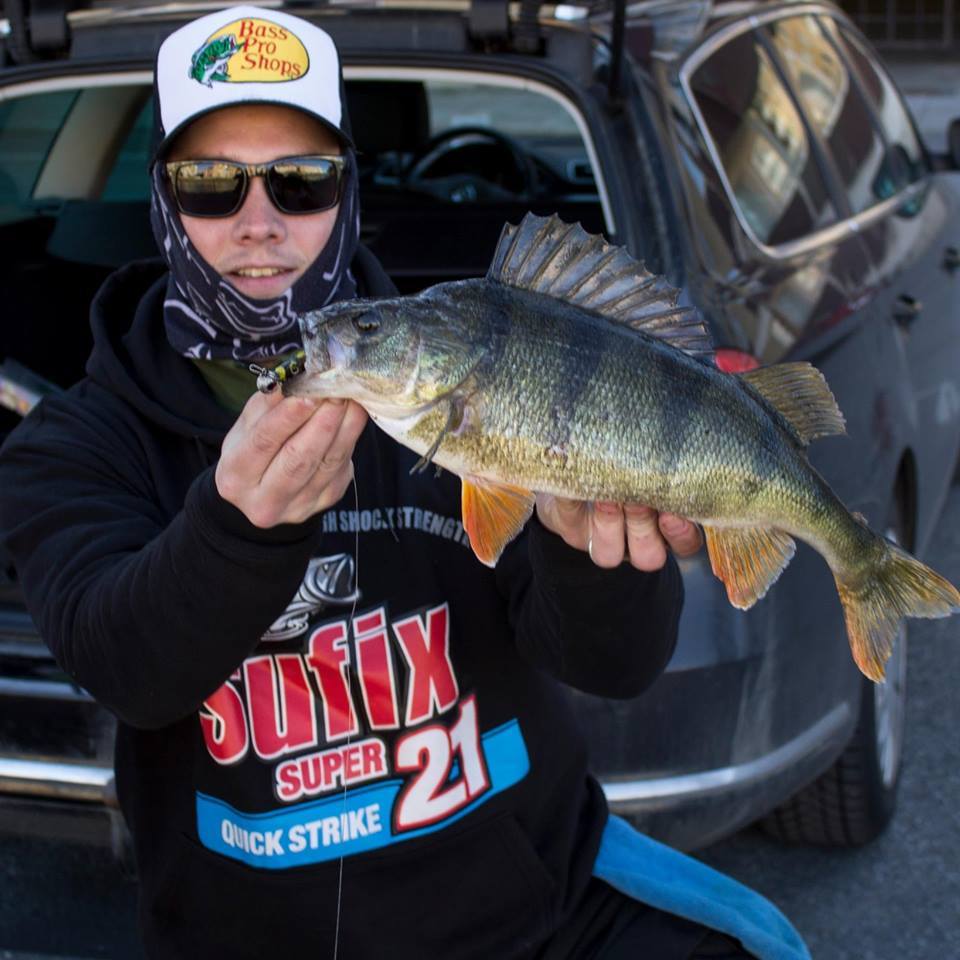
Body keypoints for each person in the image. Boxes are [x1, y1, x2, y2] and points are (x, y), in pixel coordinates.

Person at [0, 7, 805, 959]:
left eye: (301, 181)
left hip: (533, 920)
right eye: (211, 184)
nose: (260, 223)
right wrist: (235, 530)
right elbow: (125, 671)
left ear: (346, 192)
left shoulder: (453, 378)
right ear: (163, 202)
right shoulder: (72, 445)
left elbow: (614, 668)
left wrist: (596, 561)